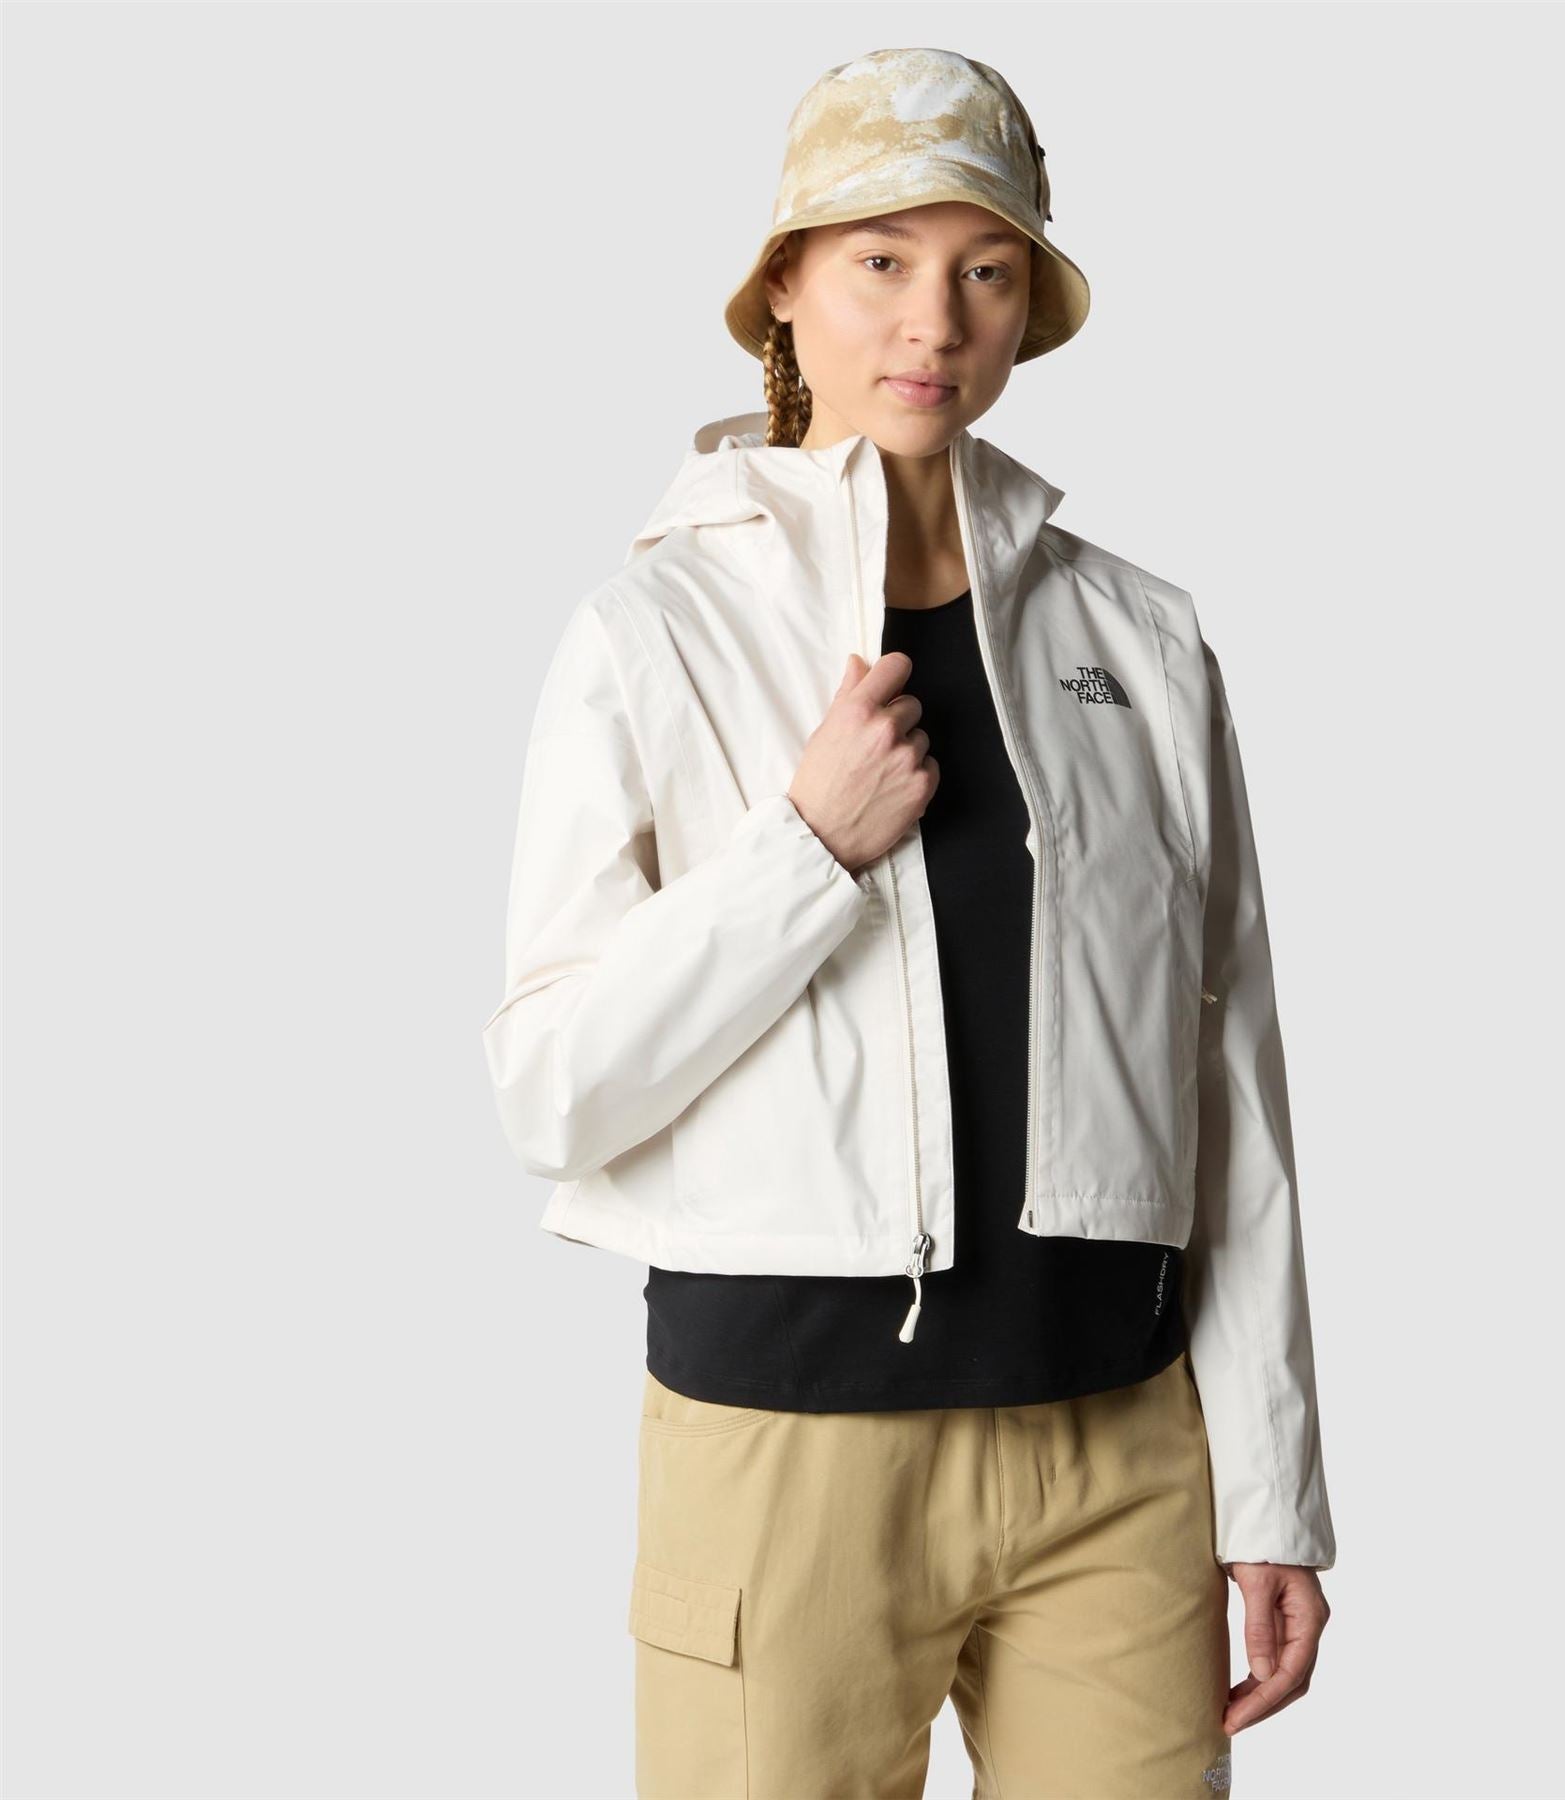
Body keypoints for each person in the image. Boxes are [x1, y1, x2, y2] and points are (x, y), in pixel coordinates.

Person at [481, 46, 1336, 1798]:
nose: (933, 320)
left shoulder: (1143, 642)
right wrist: (806, 850)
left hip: (1115, 1453)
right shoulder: (655, 632)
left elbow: (1225, 1076)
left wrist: (1270, 1482)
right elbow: (552, 1089)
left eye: (985, 269)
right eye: (880, 259)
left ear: (1027, 308)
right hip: (786, 1450)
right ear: (785, 288)